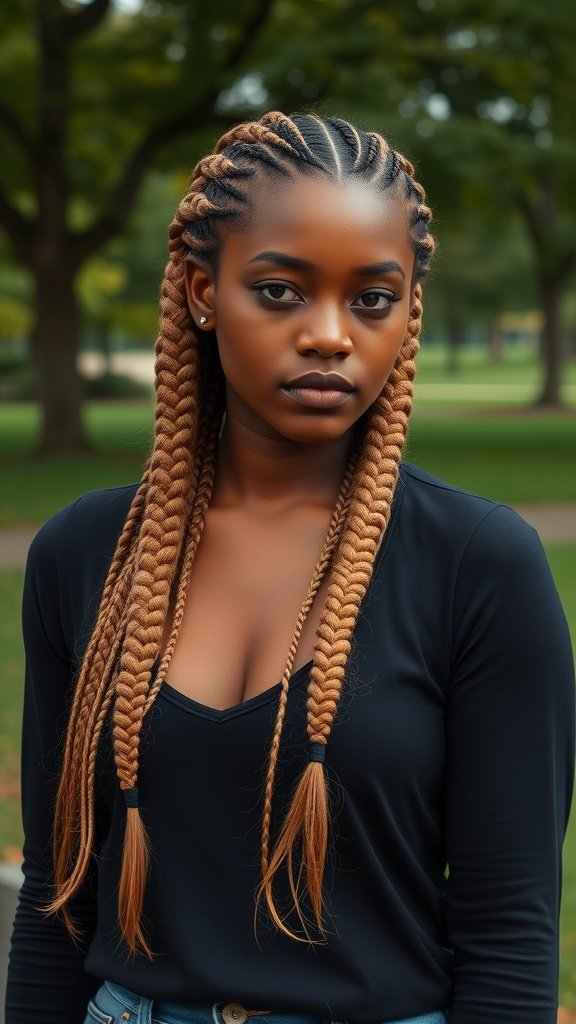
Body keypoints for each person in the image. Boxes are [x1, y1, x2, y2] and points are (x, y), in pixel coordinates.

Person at [5, 111, 575, 1024]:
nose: (330, 335)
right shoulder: (85, 555)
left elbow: (509, 930)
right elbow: (55, 896)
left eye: (372, 299)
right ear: (201, 290)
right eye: (280, 292)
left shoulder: (479, 565)